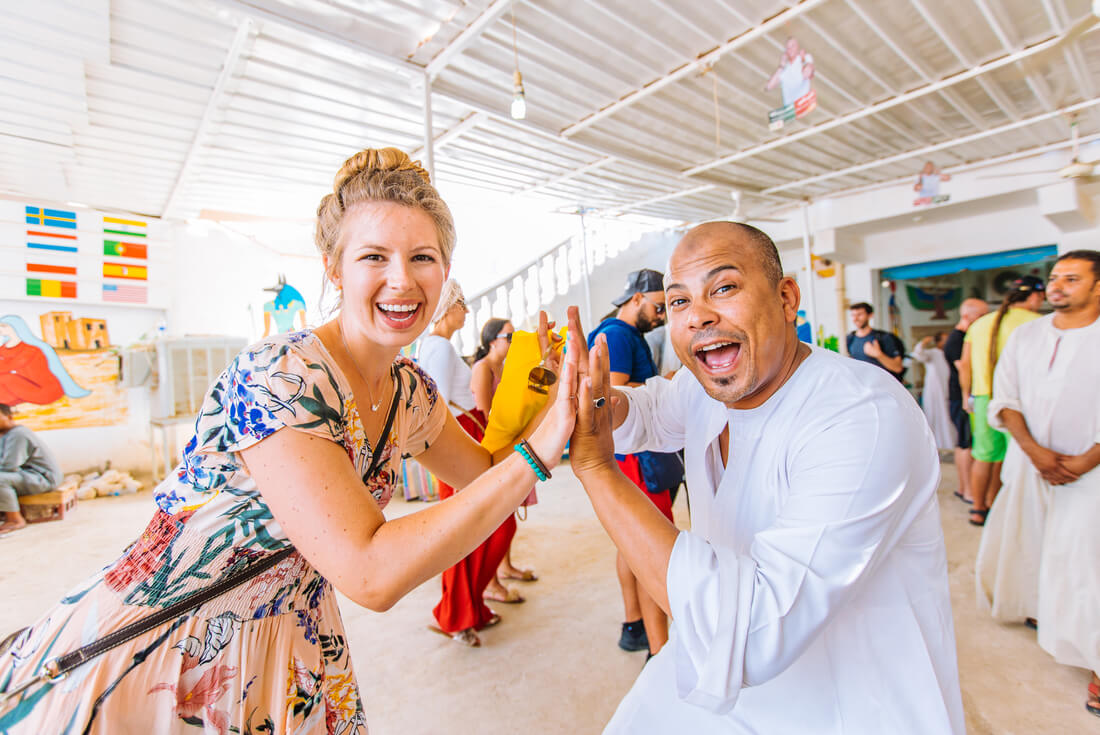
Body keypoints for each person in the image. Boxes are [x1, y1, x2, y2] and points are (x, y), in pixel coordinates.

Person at [0, 147, 581, 733]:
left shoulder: (411, 392)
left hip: (289, 641)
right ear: (334, 268)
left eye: (422, 257)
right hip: (170, 645)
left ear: (444, 270)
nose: (402, 280)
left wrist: (544, 389)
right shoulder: (281, 376)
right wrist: (537, 453)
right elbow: (370, 573)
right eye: (373, 256)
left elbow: (484, 472)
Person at [565, 222, 964, 733]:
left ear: (786, 297)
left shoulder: (860, 415)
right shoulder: (705, 387)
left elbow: (754, 633)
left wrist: (597, 470)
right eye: (679, 301)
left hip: (847, 702)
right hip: (722, 672)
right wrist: (590, 398)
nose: (698, 315)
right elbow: (651, 409)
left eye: (723, 288)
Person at [981, 250, 1100, 716]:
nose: (1056, 286)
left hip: (1090, 473)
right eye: (1054, 277)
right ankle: (1048, 616)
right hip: (1030, 463)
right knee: (1033, 546)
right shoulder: (1028, 334)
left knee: (1088, 565)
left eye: (1071, 278)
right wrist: (1035, 451)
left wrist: (1087, 458)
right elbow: (1005, 398)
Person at [417, 281, 514, 646]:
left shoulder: (437, 346)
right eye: (461, 304)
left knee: (482, 528)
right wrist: (456, 457)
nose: (466, 311)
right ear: (447, 308)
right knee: (470, 530)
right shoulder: (439, 348)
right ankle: (457, 615)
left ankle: (469, 608)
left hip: (464, 437)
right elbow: (439, 408)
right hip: (459, 440)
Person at [588, 268, 676, 658]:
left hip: (631, 455)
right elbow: (613, 393)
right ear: (636, 299)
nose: (662, 316)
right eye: (659, 306)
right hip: (637, 458)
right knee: (651, 548)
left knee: (630, 542)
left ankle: (634, 625)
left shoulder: (617, 333)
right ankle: (659, 650)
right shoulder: (619, 335)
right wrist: (667, 383)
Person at [958, 276, 1044, 526]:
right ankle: (1016, 513)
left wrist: (966, 396)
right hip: (1020, 400)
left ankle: (978, 509)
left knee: (985, 455)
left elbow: (965, 365)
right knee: (1022, 456)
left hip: (983, 397)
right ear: (1035, 297)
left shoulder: (980, 323)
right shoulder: (1038, 322)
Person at [470, 317, 536, 604]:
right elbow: (485, 416)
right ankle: (491, 582)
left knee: (509, 513)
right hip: (496, 448)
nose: (513, 341)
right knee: (497, 519)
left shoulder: (506, 367)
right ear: (492, 341)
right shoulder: (483, 368)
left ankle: (505, 567)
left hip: (511, 445)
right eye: (509, 336)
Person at [942, 298, 988, 503]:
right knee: (965, 442)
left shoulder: (967, 336)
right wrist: (966, 397)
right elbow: (964, 368)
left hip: (965, 395)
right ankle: (967, 489)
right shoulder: (957, 339)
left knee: (966, 441)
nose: (984, 320)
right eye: (981, 315)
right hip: (961, 396)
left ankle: (966, 488)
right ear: (967, 316)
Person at [0, 403, 63, 536]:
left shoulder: (18, 434)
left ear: (9, 417)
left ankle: (15, 520)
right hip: (27, 476)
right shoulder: (5, 435)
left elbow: (8, 466)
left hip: (43, 478)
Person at [910, 332, 954, 451]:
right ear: (938, 342)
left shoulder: (949, 353)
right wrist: (924, 342)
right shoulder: (932, 353)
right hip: (935, 390)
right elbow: (918, 354)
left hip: (947, 389)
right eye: (945, 339)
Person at [846, 302, 905, 381]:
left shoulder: (884, 338)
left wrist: (878, 355)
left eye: (859, 314)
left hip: (883, 385)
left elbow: (898, 368)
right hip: (862, 385)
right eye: (853, 315)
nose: (855, 319)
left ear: (870, 315)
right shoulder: (850, 338)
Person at [765, 37, 814, 107]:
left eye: (793, 46)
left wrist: (803, 60)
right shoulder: (784, 69)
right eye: (788, 47)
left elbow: (807, 74)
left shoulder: (805, 57)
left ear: (797, 47)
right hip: (790, 107)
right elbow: (769, 87)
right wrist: (781, 65)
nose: (790, 49)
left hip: (803, 102)